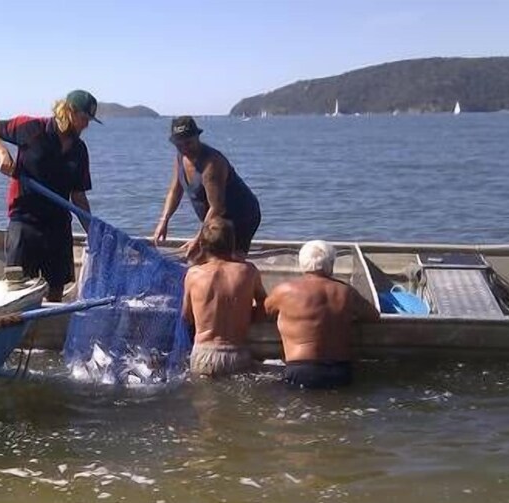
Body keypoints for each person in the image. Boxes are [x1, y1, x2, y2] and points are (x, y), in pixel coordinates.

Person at [0, 90, 101, 301]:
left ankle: (48, 329)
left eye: (89, 120)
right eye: (84, 119)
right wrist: (2, 152)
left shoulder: (79, 150)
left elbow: (78, 197)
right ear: (69, 111)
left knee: (56, 291)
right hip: (25, 223)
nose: (86, 125)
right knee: (18, 291)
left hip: (59, 226)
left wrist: (93, 232)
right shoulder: (31, 127)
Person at [264, 240, 380, 389]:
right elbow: (373, 316)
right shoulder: (346, 292)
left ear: (301, 263)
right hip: (340, 371)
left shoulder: (285, 291)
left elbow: (264, 313)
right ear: (331, 264)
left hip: (301, 370)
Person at [152, 116, 262, 259]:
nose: (185, 148)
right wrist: (164, 221)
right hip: (214, 220)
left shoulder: (212, 164)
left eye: (189, 143)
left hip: (241, 216)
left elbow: (217, 207)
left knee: (230, 260)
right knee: (205, 256)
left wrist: (198, 240)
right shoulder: (180, 157)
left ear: (197, 137)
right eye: (180, 145)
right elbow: (175, 191)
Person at [182, 217, 267, 376]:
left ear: (202, 245)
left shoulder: (193, 275)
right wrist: (247, 315)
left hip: (203, 354)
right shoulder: (248, 271)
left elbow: (187, 316)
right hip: (236, 353)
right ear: (233, 244)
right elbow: (265, 305)